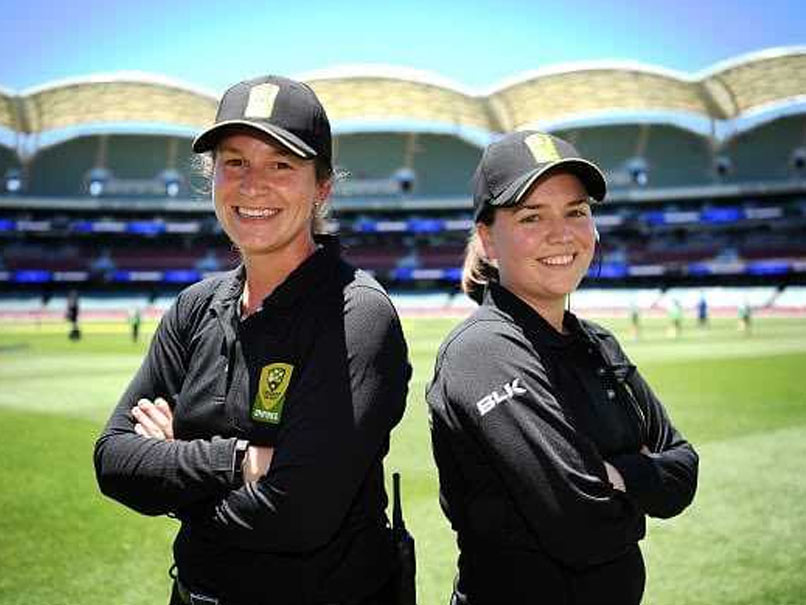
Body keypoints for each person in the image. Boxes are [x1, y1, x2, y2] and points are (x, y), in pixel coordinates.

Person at [94, 75, 412, 605]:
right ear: (212, 176)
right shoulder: (195, 307)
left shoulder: (355, 313)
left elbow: (299, 516)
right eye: (234, 162)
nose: (252, 184)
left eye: (281, 165)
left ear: (323, 186)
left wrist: (175, 468)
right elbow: (114, 460)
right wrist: (239, 462)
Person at [426, 131, 698, 605]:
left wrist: (615, 477)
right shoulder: (484, 351)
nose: (562, 233)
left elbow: (684, 468)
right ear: (488, 239)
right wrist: (638, 482)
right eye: (532, 216)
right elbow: (582, 525)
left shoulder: (598, 343)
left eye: (576, 211)